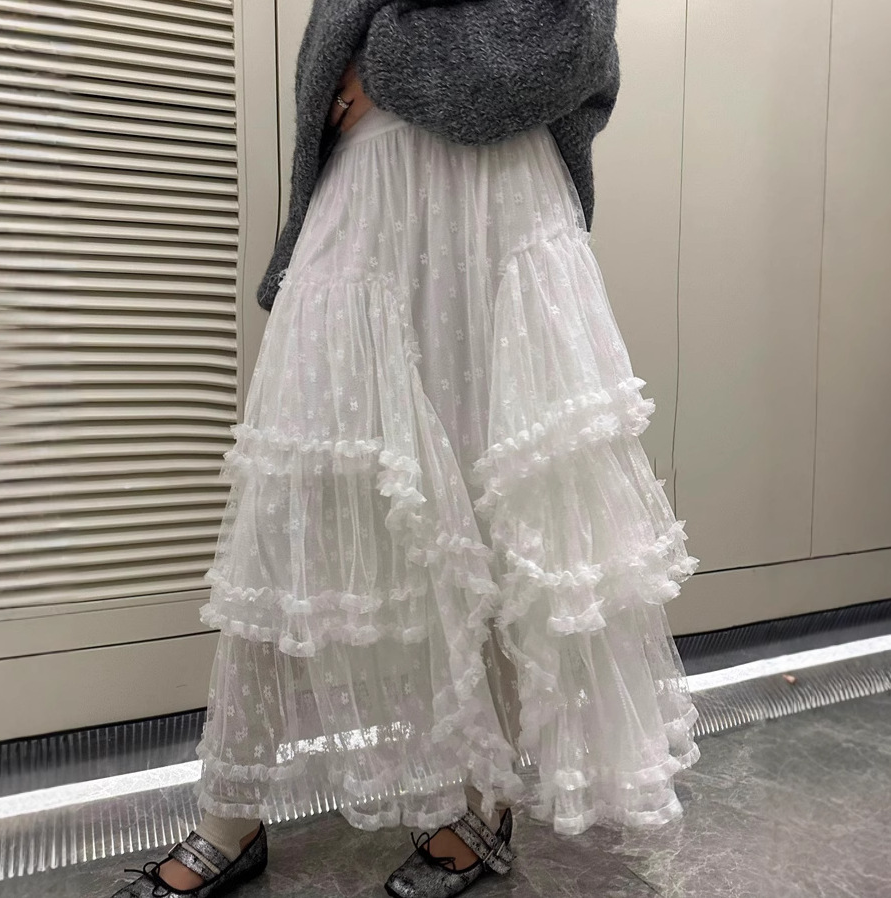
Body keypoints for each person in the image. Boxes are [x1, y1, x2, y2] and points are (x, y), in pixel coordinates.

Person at [112, 2, 701, 896]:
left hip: (495, 195)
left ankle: (480, 803)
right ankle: (229, 809)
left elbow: (569, 39)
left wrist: (383, 62)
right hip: (368, 189)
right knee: (298, 499)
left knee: (497, 499)